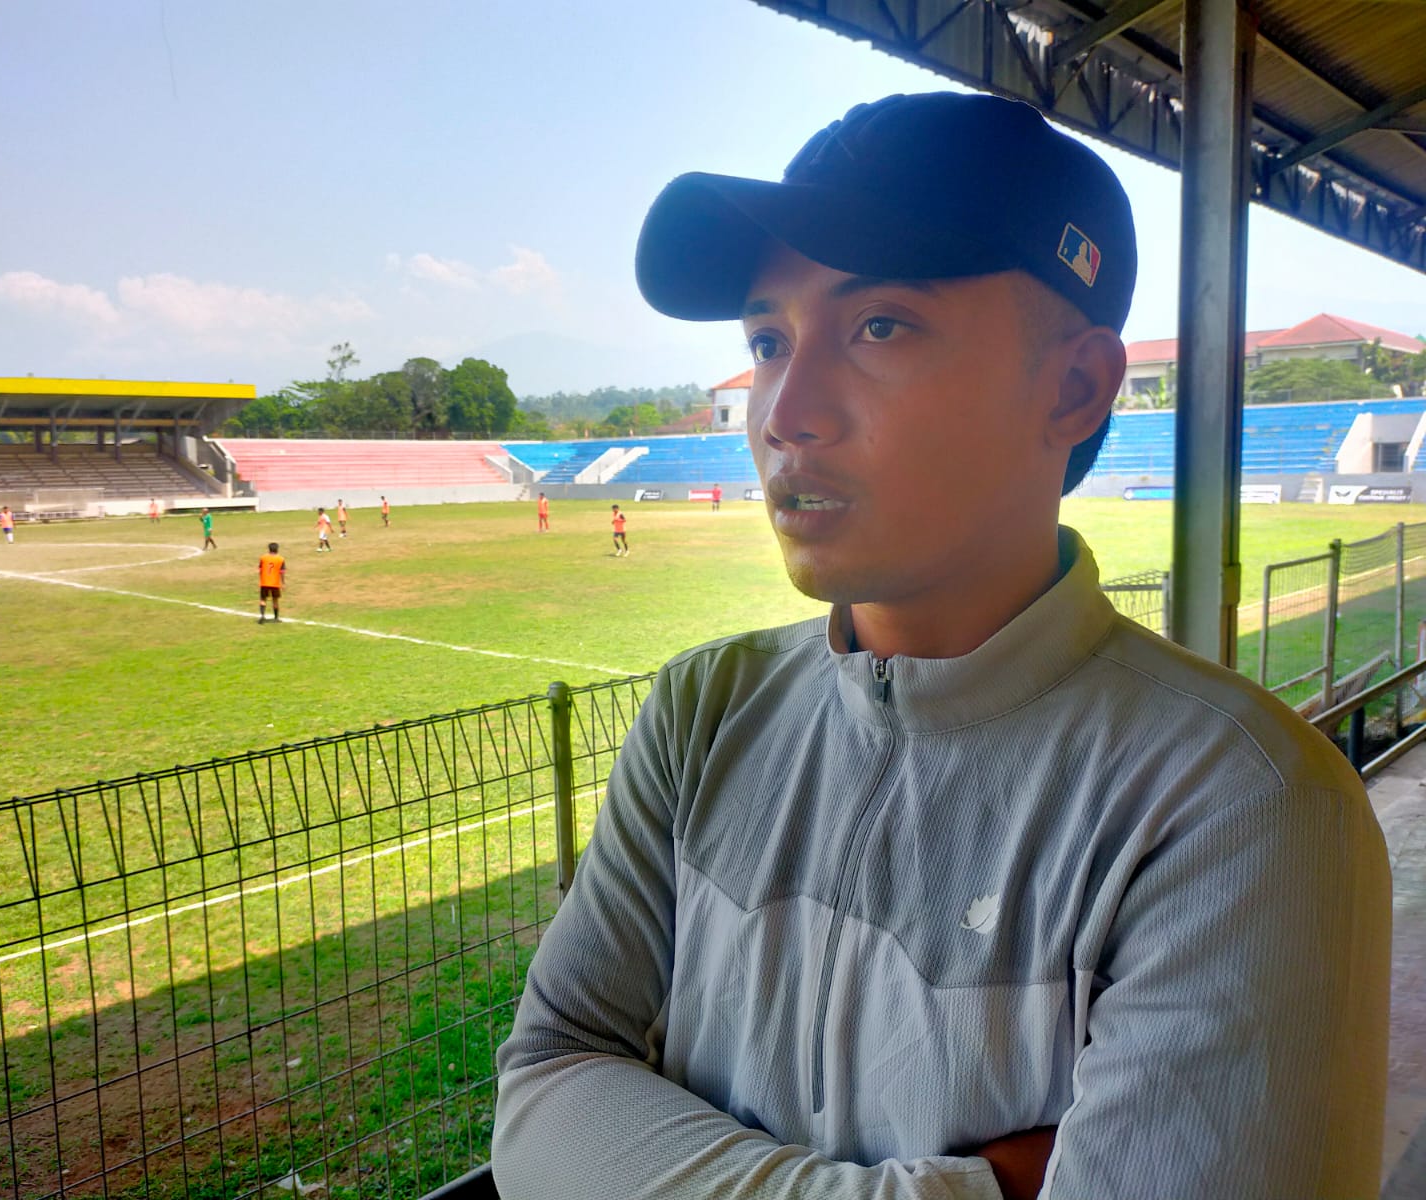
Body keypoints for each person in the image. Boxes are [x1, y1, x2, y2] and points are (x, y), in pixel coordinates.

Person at [493, 93, 1392, 1200]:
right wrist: (987, 1187)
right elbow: (544, 1084)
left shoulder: (1237, 806)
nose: (787, 410)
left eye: (878, 326)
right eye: (769, 339)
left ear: (1072, 388)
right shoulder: (701, 714)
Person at [258, 542, 286, 624]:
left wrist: (261, 579)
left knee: (263, 599)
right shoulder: (280, 559)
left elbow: (260, 570)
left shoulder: (263, 558)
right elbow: (282, 572)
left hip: (264, 582)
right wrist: (283, 583)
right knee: (275, 600)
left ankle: (262, 616)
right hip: (275, 583)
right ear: (277, 549)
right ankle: (276, 618)